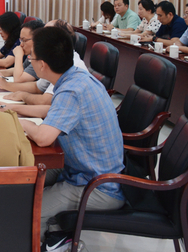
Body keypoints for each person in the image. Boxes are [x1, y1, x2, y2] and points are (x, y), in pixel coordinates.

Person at [21, 27, 125, 248]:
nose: (30, 59)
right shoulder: (76, 77)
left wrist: (17, 121)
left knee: (31, 209)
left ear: (42, 65)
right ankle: (57, 236)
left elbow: (43, 138)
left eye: (31, 57)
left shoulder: (71, 91)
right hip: (82, 169)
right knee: (25, 175)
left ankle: (50, 241)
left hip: (99, 186)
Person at [0, 20, 89, 119]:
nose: (37, 39)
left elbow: (46, 102)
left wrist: (23, 96)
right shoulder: (54, 60)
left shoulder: (71, 66)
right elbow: (38, 87)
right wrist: (6, 85)